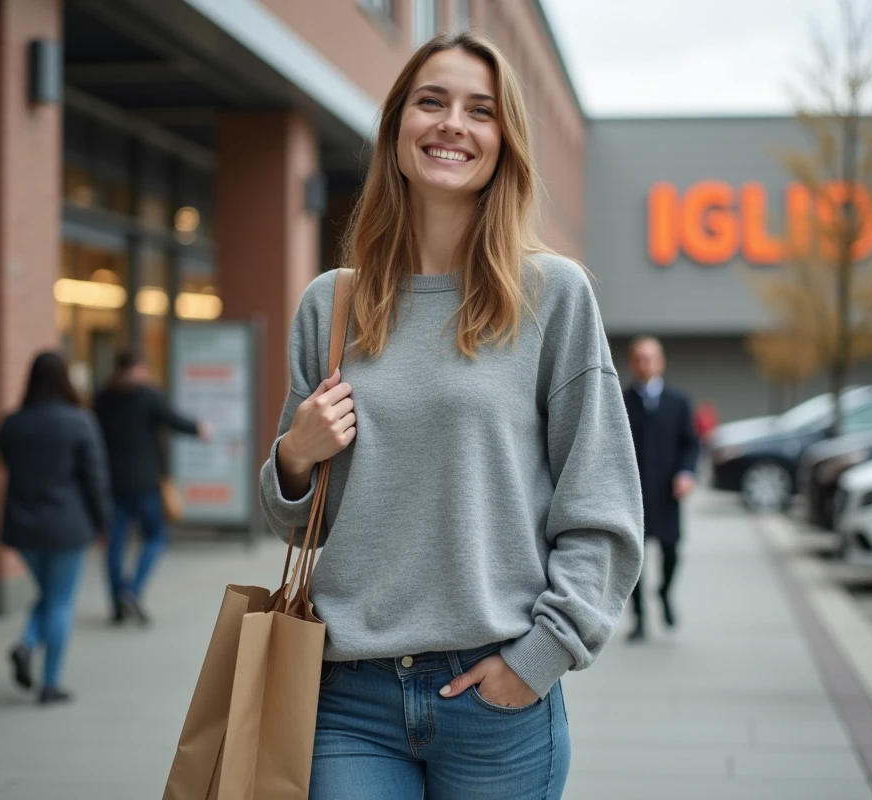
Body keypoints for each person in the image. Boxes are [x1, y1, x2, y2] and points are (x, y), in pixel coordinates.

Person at [259, 32, 644, 800]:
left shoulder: (553, 296)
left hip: (496, 694)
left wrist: (540, 660)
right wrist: (295, 458)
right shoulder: (330, 305)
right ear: (397, 125)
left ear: (505, 143)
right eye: (431, 102)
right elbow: (300, 524)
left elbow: (601, 504)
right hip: (349, 698)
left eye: (481, 111)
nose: (452, 125)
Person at [0, 351, 110, 705]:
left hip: (23, 526)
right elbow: (95, 479)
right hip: (67, 525)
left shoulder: (12, 423)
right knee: (60, 601)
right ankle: (49, 683)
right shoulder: (80, 421)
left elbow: (6, 461)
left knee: (48, 596)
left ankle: (26, 644)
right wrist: (103, 523)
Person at [93, 351, 209, 625]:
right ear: (137, 368)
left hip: (112, 483)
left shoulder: (102, 398)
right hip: (145, 482)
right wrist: (199, 429)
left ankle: (117, 603)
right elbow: (175, 420)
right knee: (156, 536)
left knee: (116, 544)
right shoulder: (147, 396)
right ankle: (132, 590)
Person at [622, 336, 699, 642]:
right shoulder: (621, 400)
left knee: (671, 551)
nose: (646, 363)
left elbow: (691, 443)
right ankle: (639, 619)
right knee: (634, 561)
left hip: (668, 493)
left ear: (661, 361)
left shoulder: (678, 402)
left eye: (651, 357)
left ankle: (665, 593)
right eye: (639, 357)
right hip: (633, 495)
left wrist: (686, 473)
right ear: (632, 363)